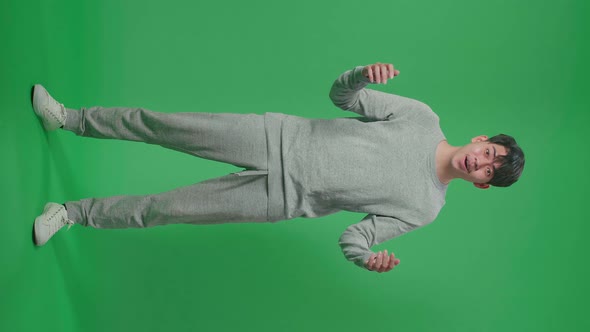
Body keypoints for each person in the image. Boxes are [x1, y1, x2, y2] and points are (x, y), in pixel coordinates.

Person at [31, 62, 525, 273]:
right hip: (276, 137)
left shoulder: (426, 209)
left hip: (277, 201)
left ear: (482, 186)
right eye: (489, 153)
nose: (482, 162)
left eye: (489, 171)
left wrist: (365, 258)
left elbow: (354, 238)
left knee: (164, 209)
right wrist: (360, 75)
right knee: (162, 125)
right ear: (482, 140)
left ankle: (72, 213)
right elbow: (340, 95)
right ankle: (69, 119)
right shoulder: (421, 117)